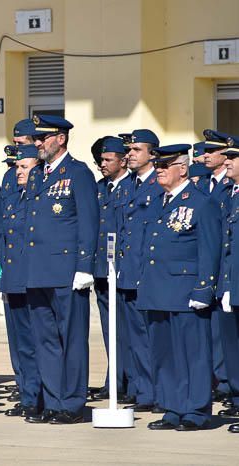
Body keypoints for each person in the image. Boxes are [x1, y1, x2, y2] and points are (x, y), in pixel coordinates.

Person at [137, 144, 221, 431]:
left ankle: (195, 411)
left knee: (193, 354)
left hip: (185, 290)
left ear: (182, 168)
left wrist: (203, 289)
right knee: (164, 354)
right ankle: (172, 407)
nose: (159, 170)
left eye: (165, 165)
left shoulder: (201, 202)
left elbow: (209, 249)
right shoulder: (158, 201)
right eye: (157, 165)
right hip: (157, 289)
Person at [21, 114, 98, 425]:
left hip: (67, 270)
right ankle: (53, 401)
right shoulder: (38, 174)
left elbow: (89, 222)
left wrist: (84, 266)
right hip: (37, 269)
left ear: (61, 139)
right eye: (36, 139)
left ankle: (73, 403)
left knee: (72, 340)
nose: (38, 143)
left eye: (43, 138)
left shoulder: (78, 173)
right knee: (45, 341)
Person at [114, 128, 163, 412]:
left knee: (151, 337)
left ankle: (156, 392)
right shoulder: (126, 185)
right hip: (126, 272)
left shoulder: (159, 185)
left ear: (152, 154)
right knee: (133, 338)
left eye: (135, 150)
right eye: (129, 150)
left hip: (148, 274)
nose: (130, 155)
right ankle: (142, 390)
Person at [0, 144, 43, 417]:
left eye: (24, 166)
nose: (18, 172)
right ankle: (27, 396)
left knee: (36, 343)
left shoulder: (40, 200)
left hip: (33, 280)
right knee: (20, 345)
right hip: (13, 279)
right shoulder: (14, 198)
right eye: (16, 167)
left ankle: (41, 397)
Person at [91, 136, 133, 402]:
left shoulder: (132, 187)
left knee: (128, 329)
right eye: (101, 161)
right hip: (101, 268)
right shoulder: (99, 188)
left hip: (123, 270)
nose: (103, 165)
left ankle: (132, 382)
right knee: (109, 328)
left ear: (123, 160)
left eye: (108, 160)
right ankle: (114, 379)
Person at [197, 129, 234, 402]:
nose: (205, 155)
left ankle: (226, 385)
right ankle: (217, 382)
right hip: (208, 266)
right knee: (211, 331)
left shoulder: (228, 187)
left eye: (212, 151)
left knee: (225, 336)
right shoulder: (202, 184)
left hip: (227, 268)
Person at [218, 138, 239, 433]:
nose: (227, 162)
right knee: (233, 348)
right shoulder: (230, 195)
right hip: (232, 281)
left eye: (233, 158)